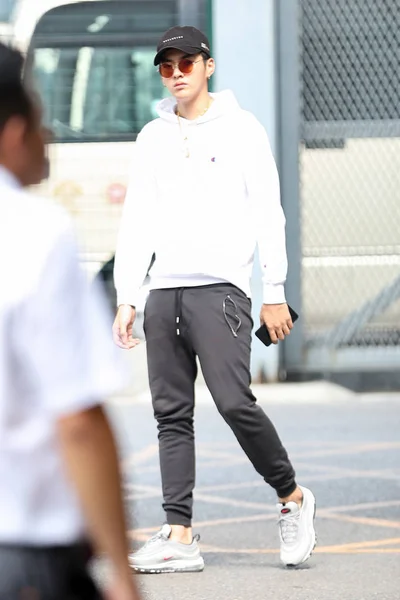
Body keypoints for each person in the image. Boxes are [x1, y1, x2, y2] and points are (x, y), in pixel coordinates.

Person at [113, 26, 316, 573]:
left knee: (233, 401)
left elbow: (267, 210)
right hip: (164, 291)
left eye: (186, 62)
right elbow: (138, 218)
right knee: (171, 414)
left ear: (208, 65)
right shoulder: (152, 136)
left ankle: (292, 495)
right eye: (166, 65)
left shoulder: (242, 130)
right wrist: (128, 295)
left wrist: (274, 291)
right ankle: (179, 533)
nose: (176, 72)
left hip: (221, 289)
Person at [0, 43, 140, 599]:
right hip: (22, 556)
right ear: (14, 132)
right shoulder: (32, 231)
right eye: (39, 113)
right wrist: (124, 576)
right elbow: (79, 420)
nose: (48, 132)